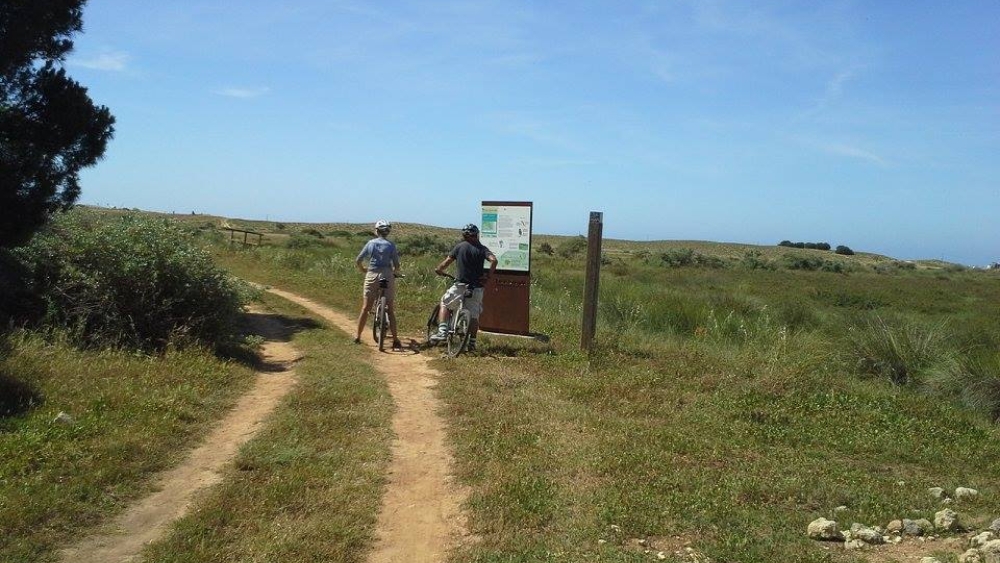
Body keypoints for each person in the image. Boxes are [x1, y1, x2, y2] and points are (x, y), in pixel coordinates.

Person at [429, 223, 498, 352]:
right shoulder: (482, 249)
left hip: (460, 285)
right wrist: (488, 276)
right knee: (473, 316)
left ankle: (443, 331)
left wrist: (438, 269)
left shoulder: (459, 247)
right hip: (476, 287)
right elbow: (494, 260)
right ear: (477, 235)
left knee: (444, 302)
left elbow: (446, 263)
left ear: (464, 235)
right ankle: (472, 343)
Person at [354, 220, 402, 349]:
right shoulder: (391, 245)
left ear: (376, 231)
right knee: (390, 308)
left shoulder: (371, 243)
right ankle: (395, 339)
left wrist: (363, 269)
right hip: (385, 275)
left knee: (365, 307)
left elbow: (358, 259)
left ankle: (357, 336)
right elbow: (397, 265)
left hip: (372, 274)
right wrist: (395, 273)